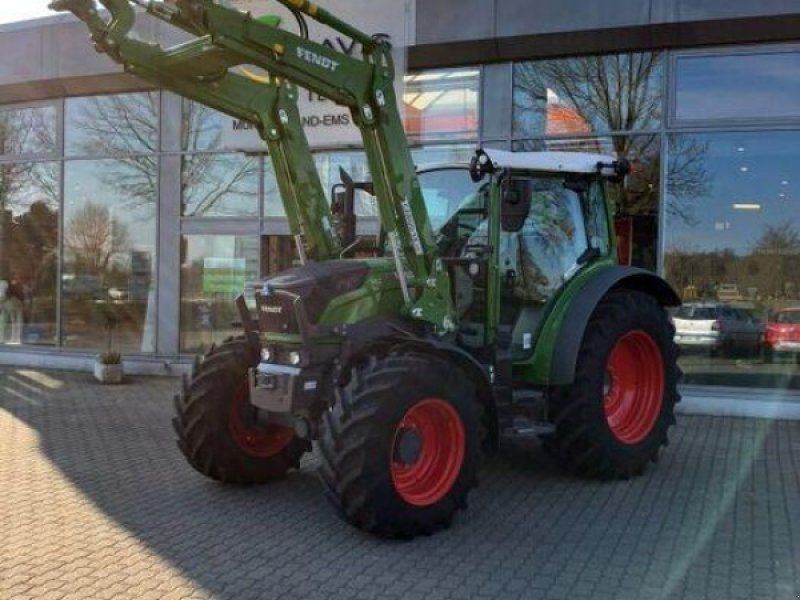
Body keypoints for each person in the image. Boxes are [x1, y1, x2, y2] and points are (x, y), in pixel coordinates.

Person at [0, 277, 24, 344]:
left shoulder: (6, 283)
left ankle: (17, 338)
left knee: (16, 320)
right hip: (10, 302)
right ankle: (13, 338)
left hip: (14, 301)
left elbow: (2, 296)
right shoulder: (4, 283)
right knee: (13, 320)